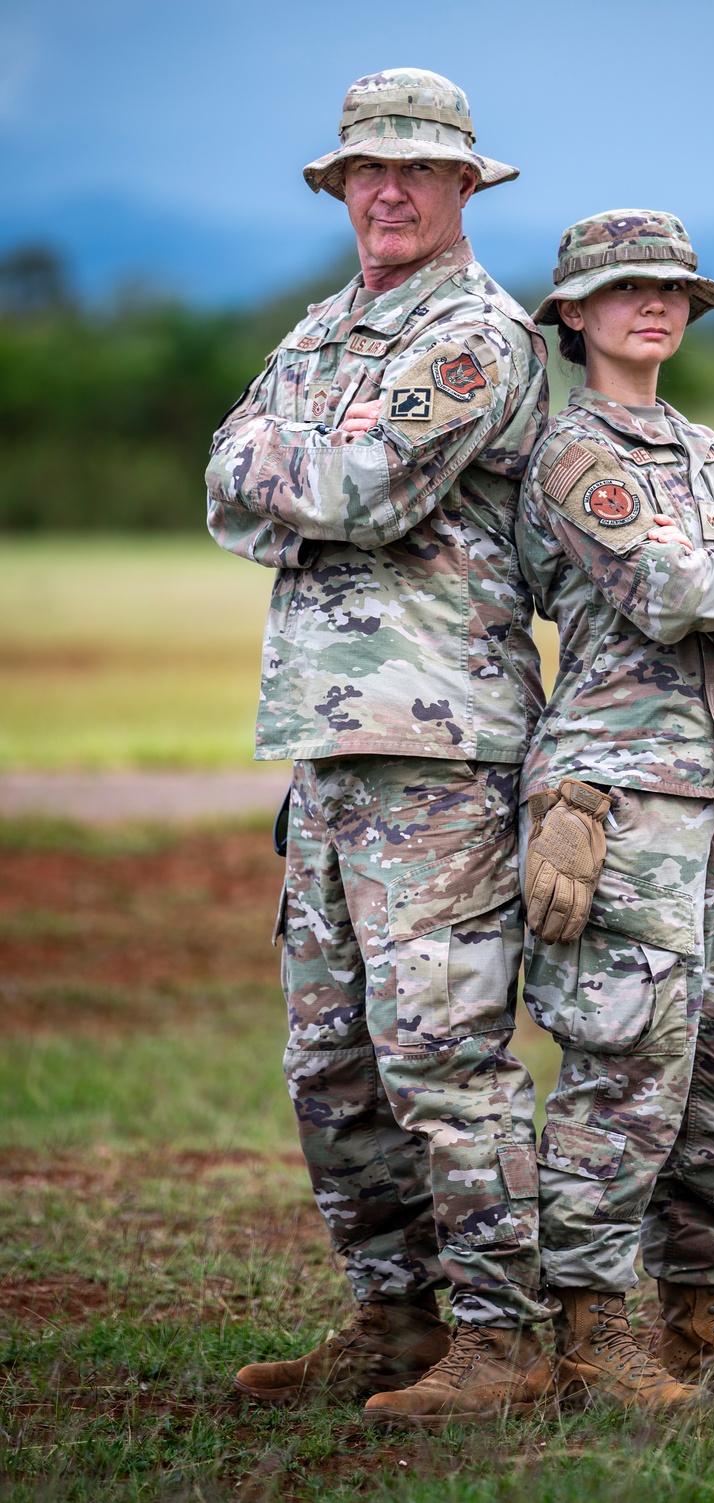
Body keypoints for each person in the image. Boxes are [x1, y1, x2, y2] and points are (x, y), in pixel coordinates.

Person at [205, 68, 555, 1426]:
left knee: (439, 1055)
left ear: (469, 186)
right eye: (368, 168)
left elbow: (361, 485)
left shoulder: (477, 334)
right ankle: (392, 1314)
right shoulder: (321, 329)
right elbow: (223, 472)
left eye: (418, 167)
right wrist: (303, 467)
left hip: (441, 751)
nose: (389, 188)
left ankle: (501, 1337)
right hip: (325, 748)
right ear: (340, 186)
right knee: (331, 1062)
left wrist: (301, 467)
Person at [515, 209, 714, 1405]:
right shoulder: (570, 454)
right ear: (575, 317)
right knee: (624, 1064)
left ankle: (702, 1320)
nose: (654, 305)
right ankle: (593, 1338)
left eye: (672, 291)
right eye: (625, 289)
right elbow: (663, 591)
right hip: (616, 798)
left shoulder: (711, 455)